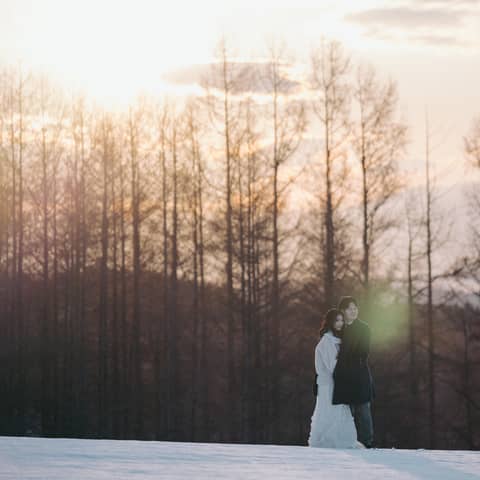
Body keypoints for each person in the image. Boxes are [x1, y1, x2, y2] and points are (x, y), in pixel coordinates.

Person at [308, 308, 359, 448]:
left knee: (340, 411)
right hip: (328, 384)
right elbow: (334, 366)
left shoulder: (338, 340)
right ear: (330, 322)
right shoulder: (327, 341)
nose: (340, 323)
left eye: (342, 320)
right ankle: (328, 443)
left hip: (337, 382)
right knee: (329, 413)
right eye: (337, 320)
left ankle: (342, 441)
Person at [333, 296, 375, 448]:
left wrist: (345, 358)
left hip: (359, 374)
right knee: (346, 411)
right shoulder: (339, 328)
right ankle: (347, 441)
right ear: (343, 311)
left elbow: (363, 353)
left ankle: (367, 443)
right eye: (350, 308)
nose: (354, 311)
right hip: (342, 376)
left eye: (355, 308)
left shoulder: (364, 328)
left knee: (363, 410)